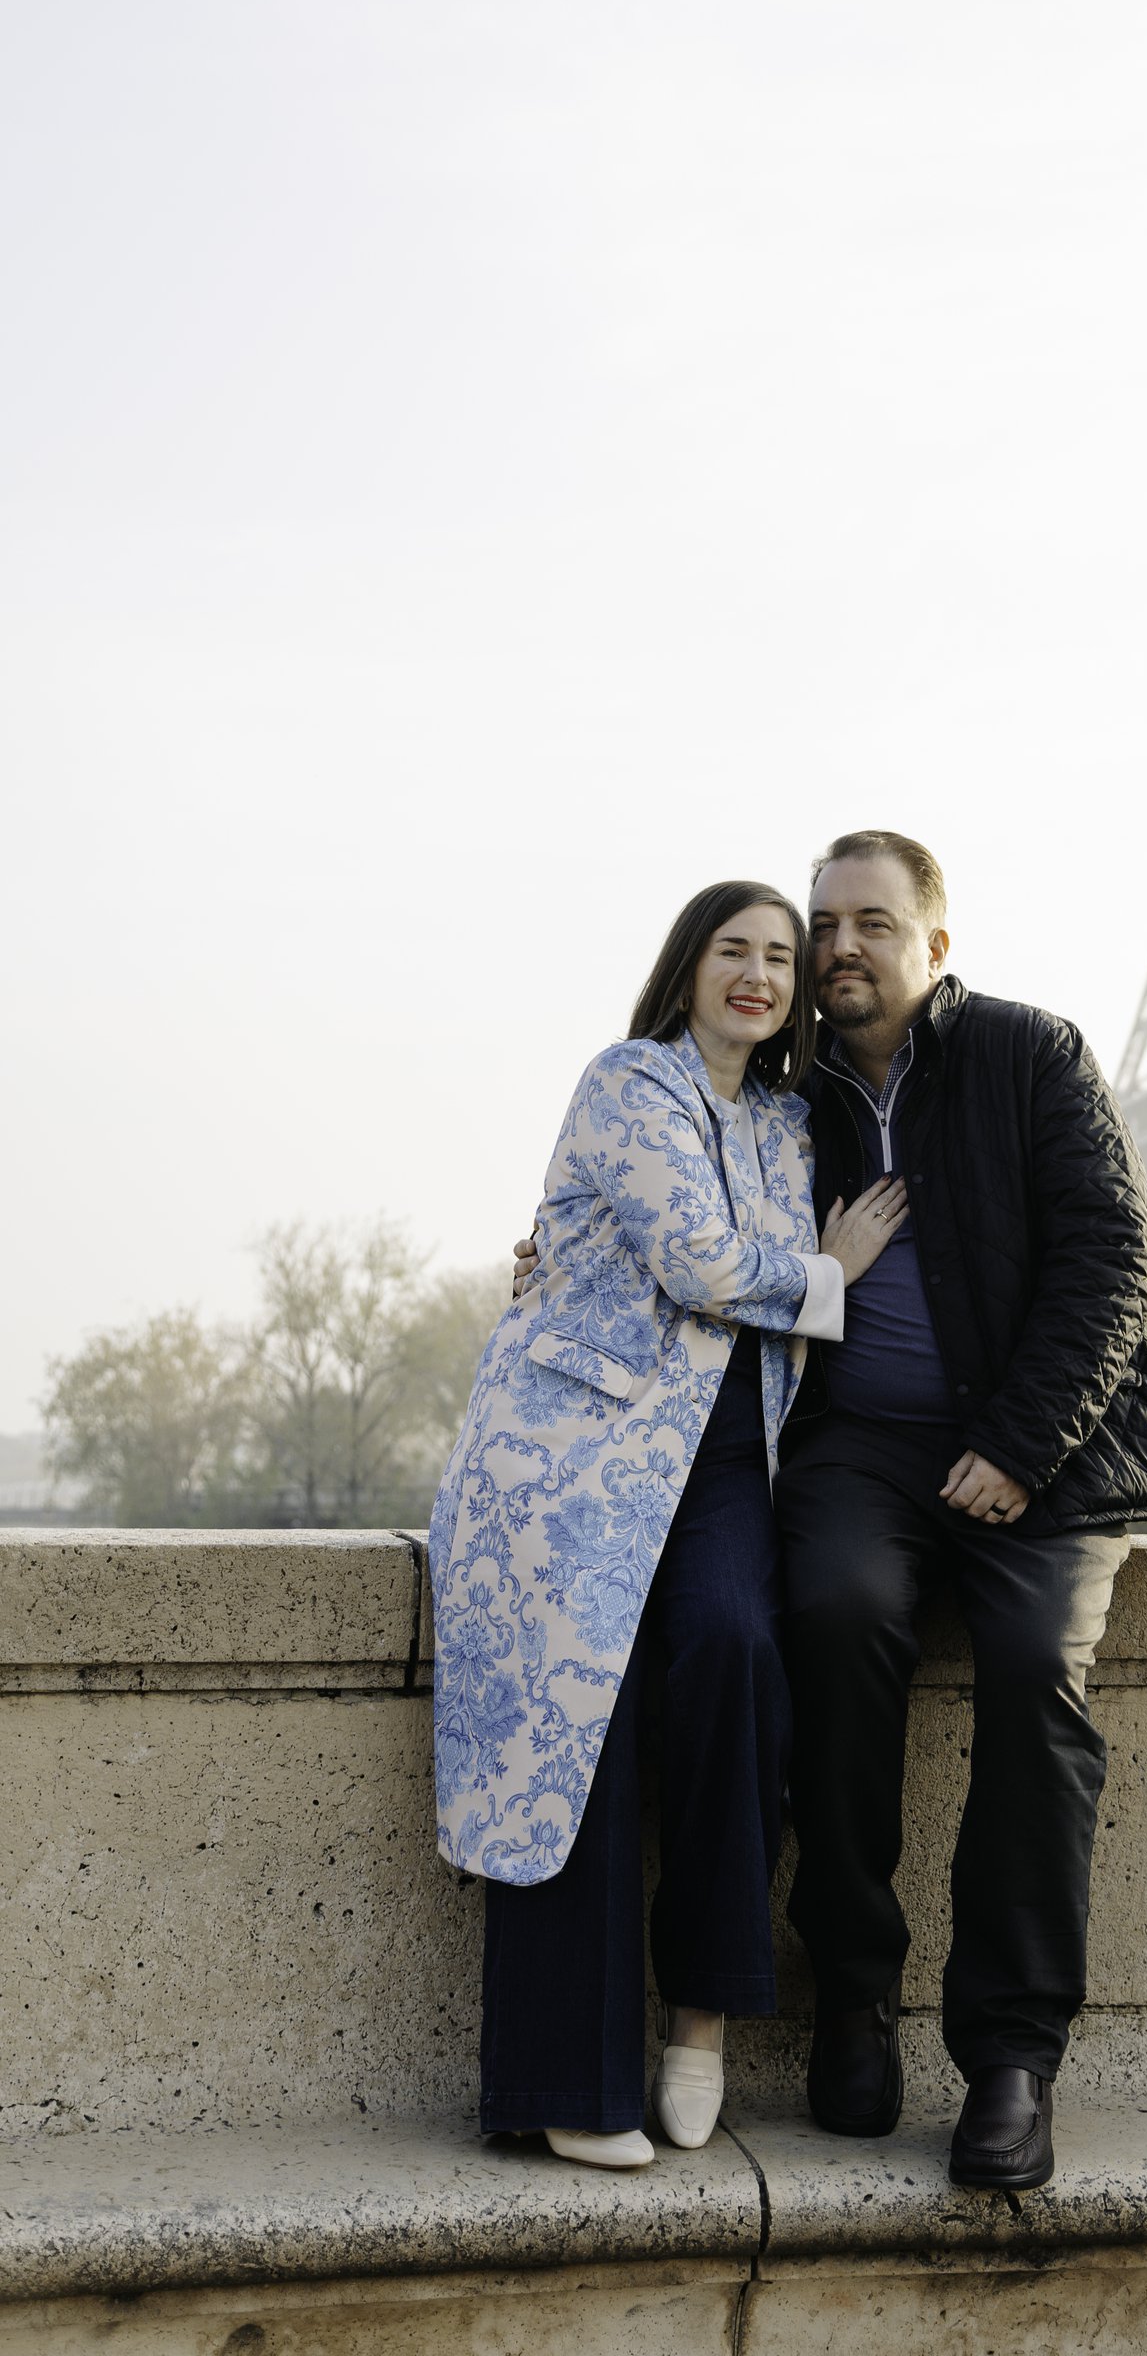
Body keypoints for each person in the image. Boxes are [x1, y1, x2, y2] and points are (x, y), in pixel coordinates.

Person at [516, 829, 1147, 2191]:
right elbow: (675, 1210)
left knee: (1033, 1677)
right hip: (856, 1455)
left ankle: (1010, 2061)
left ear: (935, 945)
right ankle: (854, 1995)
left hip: (1044, 1454)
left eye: (869, 925)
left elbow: (1113, 1260)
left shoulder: (1030, 1054)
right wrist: (553, 1257)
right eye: (822, 924)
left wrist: (1018, 1442)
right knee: (827, 1620)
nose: (837, 949)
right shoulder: (789, 1091)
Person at [431, 880, 904, 2171]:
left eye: (780, 958)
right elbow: (697, 1261)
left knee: (739, 1655)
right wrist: (830, 1274)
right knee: (576, 1724)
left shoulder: (790, 1125)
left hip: (724, 1461)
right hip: (576, 1454)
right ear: (687, 967)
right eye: (734, 950)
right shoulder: (630, 1082)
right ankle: (564, 2089)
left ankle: (701, 2015)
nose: (760, 974)